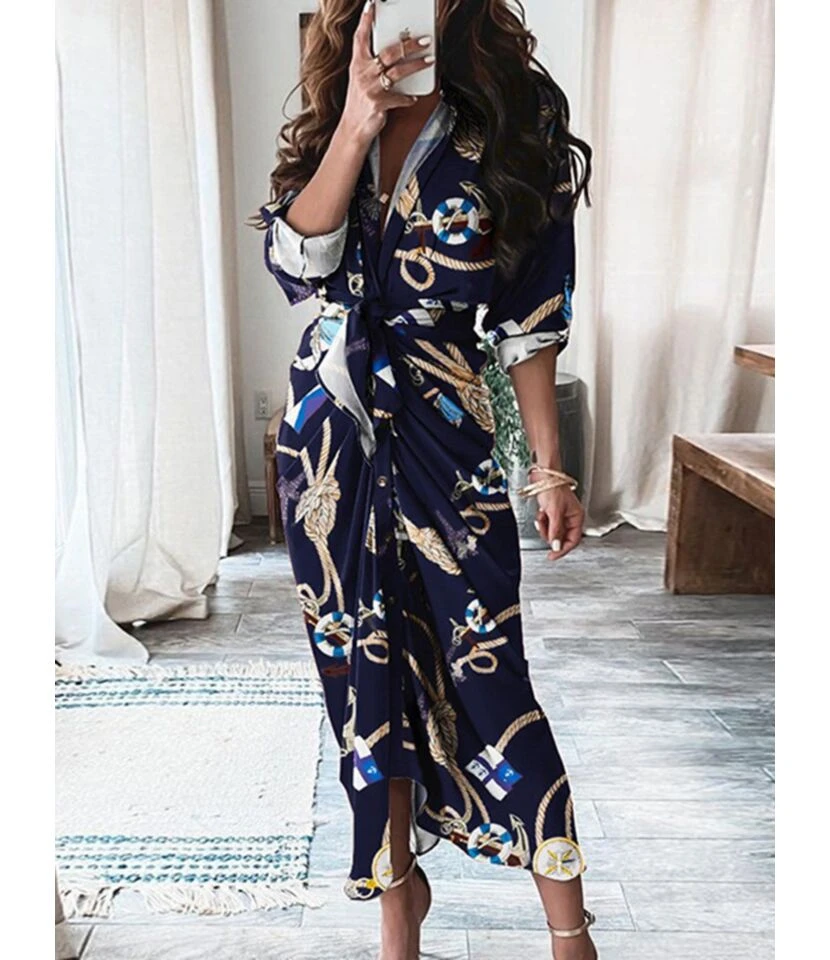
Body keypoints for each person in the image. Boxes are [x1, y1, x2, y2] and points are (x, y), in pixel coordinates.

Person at [257, 1, 594, 957]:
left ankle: (569, 929)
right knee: (363, 678)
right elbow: (297, 262)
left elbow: (532, 312)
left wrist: (548, 468)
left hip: (449, 429)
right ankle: (397, 901)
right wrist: (356, 122)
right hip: (330, 438)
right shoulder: (343, 92)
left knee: (490, 671)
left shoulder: (514, 112)